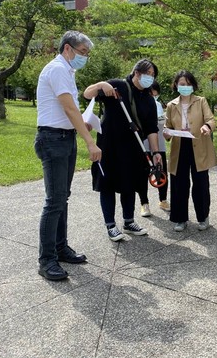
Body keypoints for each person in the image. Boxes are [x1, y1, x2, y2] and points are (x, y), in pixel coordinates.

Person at [35, 31, 102, 281]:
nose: (84, 58)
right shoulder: (57, 69)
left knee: (63, 198)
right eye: (82, 52)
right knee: (54, 201)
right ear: (67, 49)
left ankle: (61, 248)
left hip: (64, 138)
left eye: (86, 54)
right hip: (52, 140)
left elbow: (70, 112)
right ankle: (46, 260)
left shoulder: (67, 71)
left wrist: (83, 125)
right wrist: (89, 142)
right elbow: (68, 107)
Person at [83, 59, 162, 241]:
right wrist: (102, 84)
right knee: (107, 185)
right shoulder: (117, 86)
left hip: (134, 148)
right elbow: (87, 94)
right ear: (136, 72)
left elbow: (151, 129)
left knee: (130, 184)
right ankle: (110, 225)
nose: (149, 78)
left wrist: (155, 152)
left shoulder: (149, 100)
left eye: (152, 75)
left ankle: (128, 221)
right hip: (109, 145)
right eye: (147, 74)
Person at [163, 71, 217, 232]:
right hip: (179, 146)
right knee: (179, 184)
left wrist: (207, 126)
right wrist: (166, 132)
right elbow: (168, 126)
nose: (185, 87)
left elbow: (211, 119)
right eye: (181, 84)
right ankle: (180, 219)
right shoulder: (172, 105)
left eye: (187, 84)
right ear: (176, 85)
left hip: (198, 144)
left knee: (200, 184)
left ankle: (203, 217)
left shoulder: (201, 101)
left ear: (193, 85)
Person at [138, 81, 170, 217]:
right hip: (144, 145)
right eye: (151, 94)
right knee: (142, 174)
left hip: (159, 145)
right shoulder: (139, 104)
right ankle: (144, 204)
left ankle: (163, 200)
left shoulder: (157, 105)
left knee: (161, 172)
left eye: (156, 95)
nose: (154, 97)